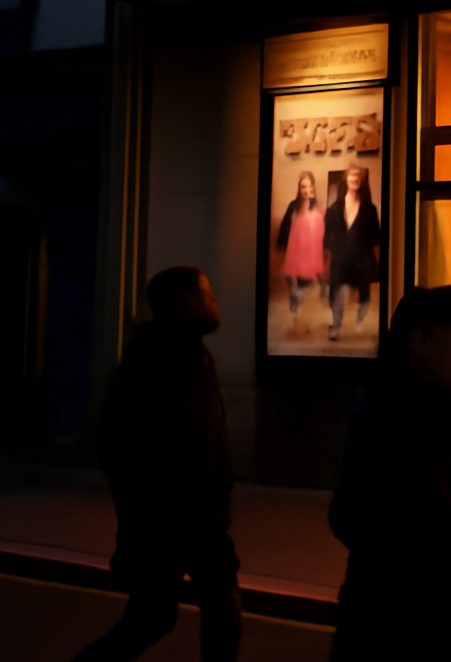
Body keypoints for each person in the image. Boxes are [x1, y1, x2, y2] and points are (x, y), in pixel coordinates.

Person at [72, 266, 240, 662]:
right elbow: (119, 452)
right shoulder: (146, 366)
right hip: (162, 527)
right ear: (177, 304)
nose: (214, 301)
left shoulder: (199, 359)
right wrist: (139, 527)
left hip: (204, 523)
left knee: (221, 615)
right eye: (206, 294)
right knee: (152, 619)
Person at [329, 285, 451, 662]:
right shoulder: (384, 409)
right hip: (399, 621)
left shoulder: (446, 401)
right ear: (419, 340)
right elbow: (351, 513)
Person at [323, 163, 382, 341]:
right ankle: (335, 326)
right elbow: (327, 233)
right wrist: (326, 252)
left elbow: (376, 237)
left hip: (362, 258)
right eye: (351, 176)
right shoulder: (335, 208)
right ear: (346, 180)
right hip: (341, 257)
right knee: (339, 292)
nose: (355, 179)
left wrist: (376, 261)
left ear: (362, 181)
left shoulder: (369, 209)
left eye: (358, 177)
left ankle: (360, 322)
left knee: (364, 294)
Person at [275, 170, 325, 334]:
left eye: (310, 186)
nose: (307, 189)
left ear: (313, 188)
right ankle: (295, 320)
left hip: (309, 260)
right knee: (295, 291)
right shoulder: (293, 206)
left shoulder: (317, 211)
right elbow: (284, 229)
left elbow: (320, 237)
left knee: (307, 292)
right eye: (304, 186)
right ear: (299, 188)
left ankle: (304, 323)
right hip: (294, 257)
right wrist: (281, 247)